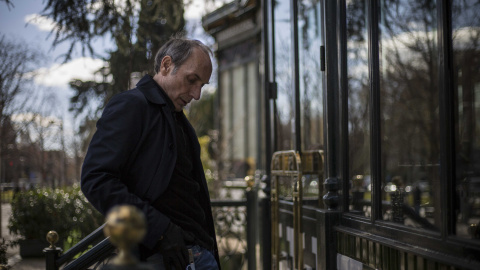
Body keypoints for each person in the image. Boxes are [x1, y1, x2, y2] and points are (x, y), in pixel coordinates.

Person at [81, 35, 220, 270]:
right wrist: (160, 232)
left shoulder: (177, 118)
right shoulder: (131, 105)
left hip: (197, 254)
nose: (196, 94)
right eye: (191, 80)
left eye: (202, 86)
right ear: (166, 66)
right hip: (167, 257)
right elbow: (96, 179)